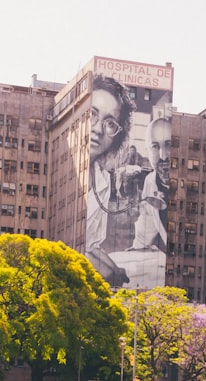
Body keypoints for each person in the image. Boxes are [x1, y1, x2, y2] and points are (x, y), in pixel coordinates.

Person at [84, 75, 138, 286]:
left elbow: (91, 246)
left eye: (110, 123)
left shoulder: (103, 181)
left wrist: (115, 270)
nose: (98, 129)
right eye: (93, 115)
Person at [132, 116, 172, 252]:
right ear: (147, 151)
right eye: (155, 146)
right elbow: (146, 226)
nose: (163, 156)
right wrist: (137, 249)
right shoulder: (150, 181)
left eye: (169, 144)